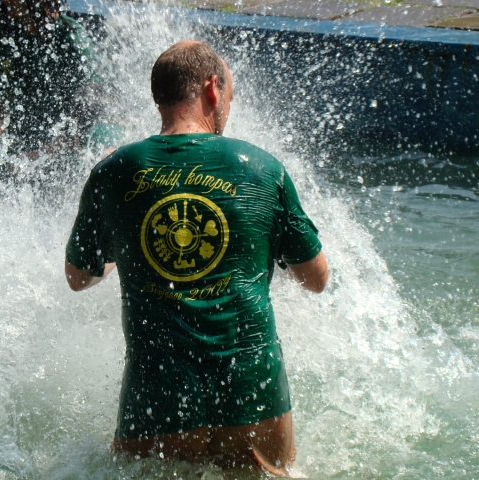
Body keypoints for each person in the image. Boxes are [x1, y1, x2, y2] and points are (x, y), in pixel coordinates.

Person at [65, 40, 328, 475]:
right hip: (253, 395)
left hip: (155, 400)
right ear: (212, 89)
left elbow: (78, 277)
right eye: (229, 97)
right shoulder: (263, 168)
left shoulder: (113, 170)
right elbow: (316, 280)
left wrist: (121, 250)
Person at [0, 0, 96, 181]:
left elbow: (91, 106)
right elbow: (5, 97)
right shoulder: (9, 35)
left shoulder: (69, 37)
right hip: (21, 151)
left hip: (65, 159)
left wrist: (38, 155)